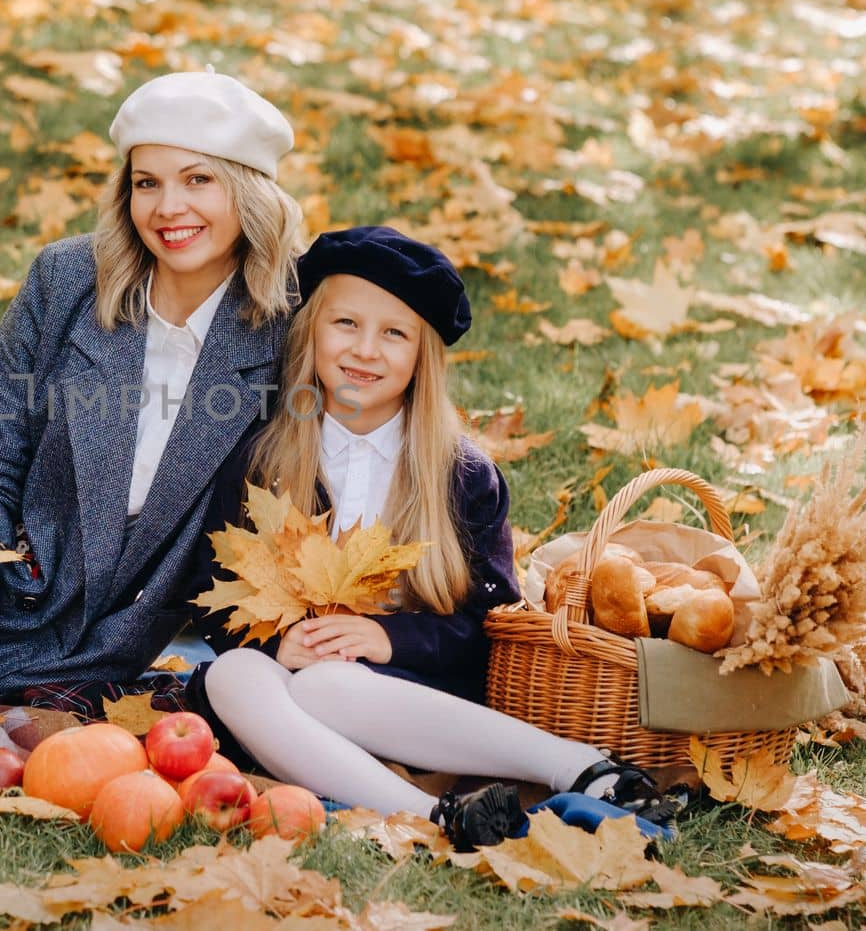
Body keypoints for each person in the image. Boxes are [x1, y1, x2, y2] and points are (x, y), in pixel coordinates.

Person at [191, 226, 672, 849]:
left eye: (395, 333)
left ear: (424, 356)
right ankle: (434, 817)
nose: (366, 350)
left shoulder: (461, 476)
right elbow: (214, 594)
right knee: (231, 674)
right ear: (309, 333)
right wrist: (281, 645)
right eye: (345, 324)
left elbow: (490, 624)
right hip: (280, 703)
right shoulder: (262, 459)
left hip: (410, 701)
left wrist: (388, 638)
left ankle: (578, 764)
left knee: (330, 685)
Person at [0, 70, 303, 711]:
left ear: (250, 191)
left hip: (136, 641)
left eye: (198, 179)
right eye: (147, 183)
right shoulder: (67, 281)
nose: (168, 208)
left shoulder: (291, 325)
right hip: (5, 600)